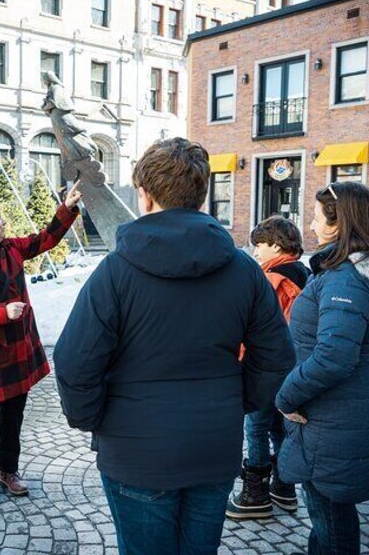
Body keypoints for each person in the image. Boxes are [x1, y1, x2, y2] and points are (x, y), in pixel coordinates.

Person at [54, 138, 297, 554]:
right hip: (211, 445)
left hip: (135, 449)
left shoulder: (115, 271)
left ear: (145, 196)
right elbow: (276, 356)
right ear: (200, 195)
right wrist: (234, 401)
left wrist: (96, 419)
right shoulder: (244, 269)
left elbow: (75, 362)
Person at [276, 181, 369, 554]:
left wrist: (285, 396)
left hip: (333, 412)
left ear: (338, 224)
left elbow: (334, 357)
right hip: (345, 407)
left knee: (331, 516)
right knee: (329, 511)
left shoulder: (346, 278)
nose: (310, 227)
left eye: (315, 218)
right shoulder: (357, 271)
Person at [0, 183, 82, 508]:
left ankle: (8, 471)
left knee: (14, 416)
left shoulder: (11, 249)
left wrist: (67, 207)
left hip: (19, 346)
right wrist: (1, 313)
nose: (3, 222)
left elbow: (46, 239)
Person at [227, 216, 310, 520]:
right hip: (293, 369)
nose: (256, 252)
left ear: (276, 245)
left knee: (257, 428)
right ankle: (284, 488)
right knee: (279, 427)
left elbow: (260, 331)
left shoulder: (273, 279)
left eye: (259, 245)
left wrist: (240, 358)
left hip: (269, 368)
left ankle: (256, 495)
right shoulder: (304, 273)